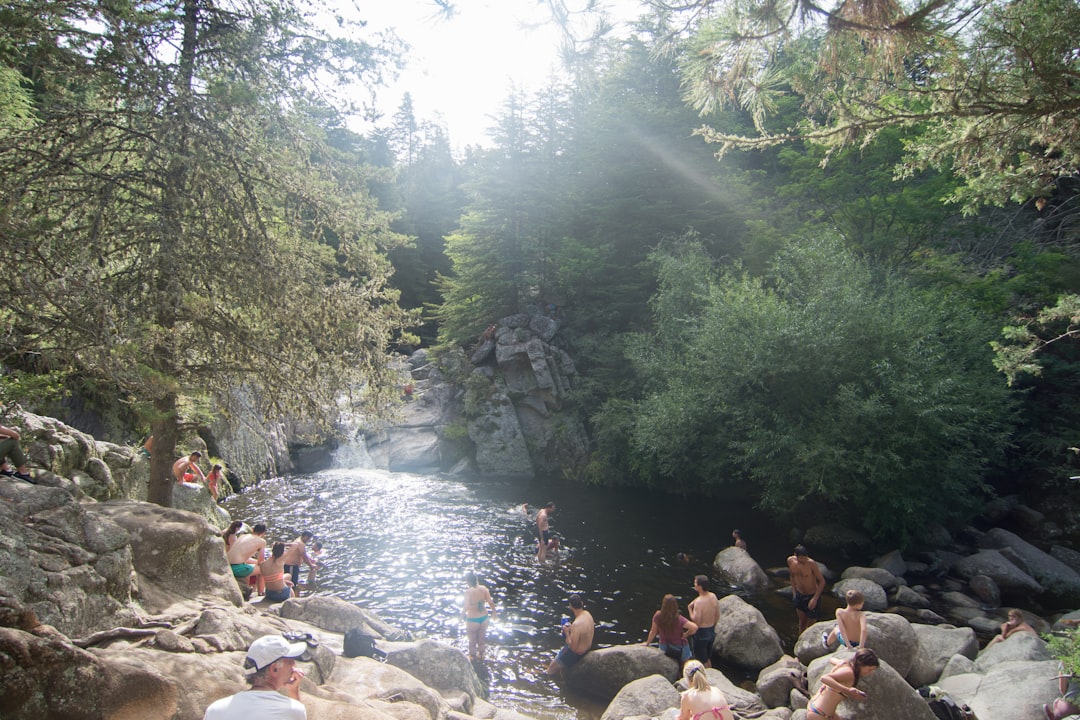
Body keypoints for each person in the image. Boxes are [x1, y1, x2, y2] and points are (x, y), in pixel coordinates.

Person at [203, 634, 310, 719]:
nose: (294, 665)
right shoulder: (292, 710)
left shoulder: (215, 709)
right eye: (290, 661)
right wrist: (293, 692)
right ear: (274, 669)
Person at [806, 647, 879, 719]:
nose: (870, 673)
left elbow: (831, 659)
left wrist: (840, 662)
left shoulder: (847, 665)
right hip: (819, 714)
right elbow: (824, 678)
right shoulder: (849, 673)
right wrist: (847, 690)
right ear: (860, 664)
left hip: (824, 712)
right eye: (869, 669)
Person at [546, 594, 595, 675]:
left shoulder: (577, 624)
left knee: (550, 670)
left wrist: (567, 633)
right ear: (582, 603)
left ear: (570, 606)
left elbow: (572, 648)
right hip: (587, 648)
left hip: (576, 654)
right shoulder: (587, 614)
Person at [645, 593, 698, 664]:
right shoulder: (679, 619)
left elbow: (653, 632)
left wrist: (647, 643)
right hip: (679, 647)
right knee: (685, 663)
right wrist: (686, 634)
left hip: (664, 646)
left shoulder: (658, 616)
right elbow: (694, 627)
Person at [787, 545, 825, 634]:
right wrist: (794, 593)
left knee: (810, 626)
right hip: (800, 594)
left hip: (811, 595)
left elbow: (822, 582)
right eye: (802, 558)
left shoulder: (811, 564)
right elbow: (792, 576)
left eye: (805, 557)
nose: (804, 560)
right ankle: (799, 643)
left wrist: (815, 599)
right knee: (801, 623)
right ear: (796, 556)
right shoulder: (790, 561)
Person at [463, 571, 497, 661]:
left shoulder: (468, 592)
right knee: (481, 642)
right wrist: (494, 612)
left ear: (468, 581)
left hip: (472, 620)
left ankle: (473, 659)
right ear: (476, 580)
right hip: (484, 619)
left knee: (472, 642)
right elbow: (490, 602)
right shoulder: (484, 589)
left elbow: (466, 606)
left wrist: (461, 616)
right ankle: (482, 656)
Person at [688, 575, 720, 667]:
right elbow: (717, 614)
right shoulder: (713, 596)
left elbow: (696, 621)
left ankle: (706, 677)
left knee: (702, 660)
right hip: (711, 630)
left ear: (699, 586)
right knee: (707, 657)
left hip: (701, 633)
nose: (694, 584)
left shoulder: (699, 602)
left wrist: (690, 609)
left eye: (695, 583)